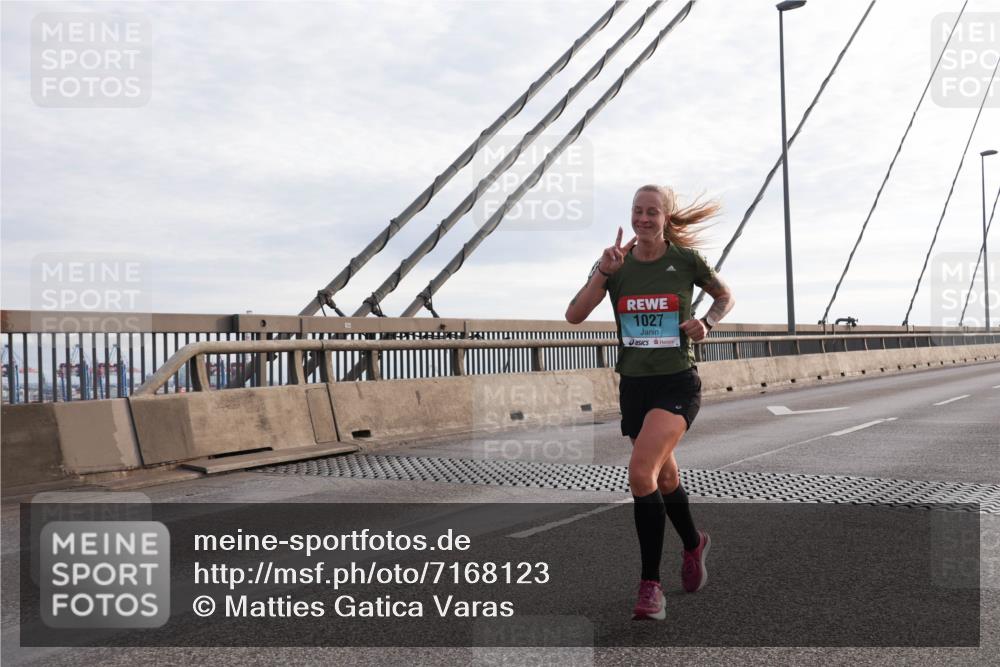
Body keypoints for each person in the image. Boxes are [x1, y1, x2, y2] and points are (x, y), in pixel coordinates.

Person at [565, 184, 734, 621]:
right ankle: (694, 542)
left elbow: (724, 296)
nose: (643, 218)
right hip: (635, 387)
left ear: (666, 217)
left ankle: (650, 587)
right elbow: (575, 314)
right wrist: (602, 272)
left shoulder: (685, 261)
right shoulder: (614, 266)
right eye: (637, 211)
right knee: (663, 478)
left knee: (641, 474)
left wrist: (707, 323)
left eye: (652, 212)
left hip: (677, 383)